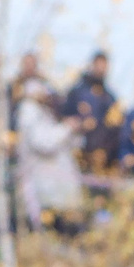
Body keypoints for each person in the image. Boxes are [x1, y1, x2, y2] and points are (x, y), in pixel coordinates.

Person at [16, 75, 81, 228]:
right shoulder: (29, 111)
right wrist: (67, 128)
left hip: (53, 190)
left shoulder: (43, 112)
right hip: (44, 190)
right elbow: (44, 143)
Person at [63, 50, 122, 173]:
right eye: (99, 65)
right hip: (77, 153)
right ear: (92, 65)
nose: (101, 70)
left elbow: (115, 129)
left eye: (104, 66)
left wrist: (107, 152)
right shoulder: (77, 92)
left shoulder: (109, 98)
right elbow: (64, 116)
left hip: (102, 159)